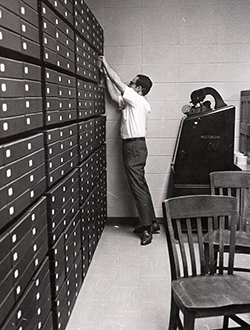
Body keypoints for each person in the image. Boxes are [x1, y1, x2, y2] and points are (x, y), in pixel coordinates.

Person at [98, 55, 160, 246]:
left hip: (133, 147)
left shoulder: (137, 99)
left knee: (137, 187)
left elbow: (118, 83)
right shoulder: (133, 103)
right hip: (135, 147)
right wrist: (106, 78)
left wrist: (105, 62)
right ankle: (152, 222)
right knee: (141, 185)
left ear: (139, 89)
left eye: (132, 83)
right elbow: (115, 97)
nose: (128, 84)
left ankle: (147, 227)